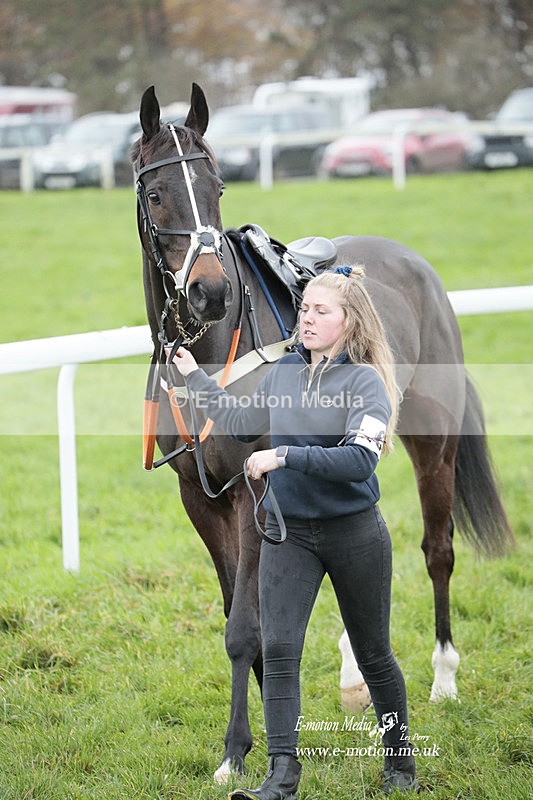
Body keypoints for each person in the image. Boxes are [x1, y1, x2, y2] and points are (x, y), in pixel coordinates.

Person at [171, 265, 419, 798]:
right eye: (304, 309)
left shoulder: (366, 383)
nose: (306, 318)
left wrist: (283, 456)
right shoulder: (283, 373)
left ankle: (399, 765)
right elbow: (237, 423)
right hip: (290, 535)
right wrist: (195, 378)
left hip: (355, 535)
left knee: (374, 654)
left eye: (320, 311)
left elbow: (358, 461)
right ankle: (281, 776)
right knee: (280, 651)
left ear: (349, 323)